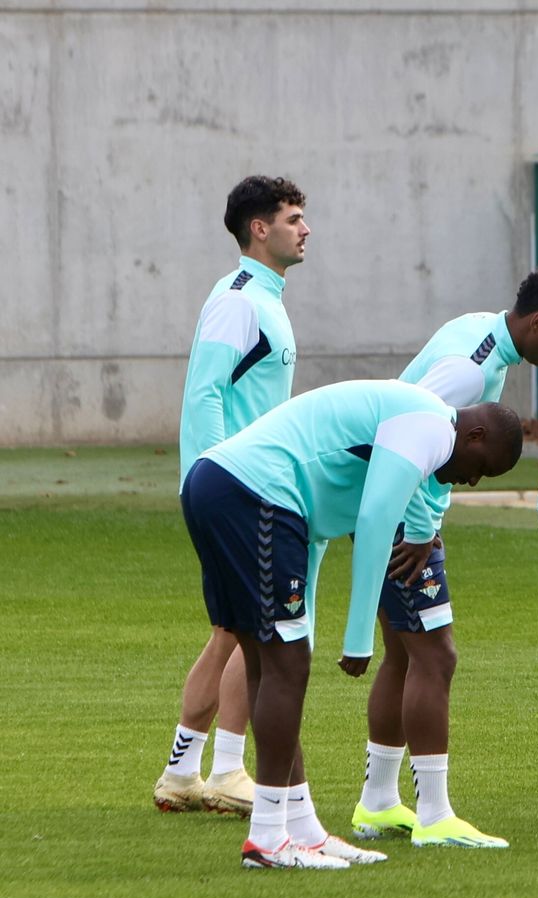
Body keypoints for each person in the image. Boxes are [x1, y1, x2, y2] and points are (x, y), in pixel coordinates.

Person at [180, 379, 524, 868]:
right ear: (474, 437)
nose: (471, 482)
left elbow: (404, 495)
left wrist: (426, 529)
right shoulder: (431, 429)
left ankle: (300, 828)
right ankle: (267, 839)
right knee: (285, 666)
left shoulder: (423, 418)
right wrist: (360, 636)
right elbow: (377, 518)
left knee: (268, 663)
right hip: (254, 494)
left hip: (220, 485)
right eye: (481, 471)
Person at [349, 263, 538, 848]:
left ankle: (378, 803)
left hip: (390, 515)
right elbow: (409, 436)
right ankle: (433, 815)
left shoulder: (481, 334)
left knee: (405, 658)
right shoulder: (471, 369)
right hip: (397, 522)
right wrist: (418, 528)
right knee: (437, 658)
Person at [155, 175, 310, 816]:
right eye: (294, 218)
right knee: (259, 633)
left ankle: (184, 772)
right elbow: (204, 393)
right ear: (259, 228)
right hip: (240, 490)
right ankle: (224, 771)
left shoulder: (265, 299)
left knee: (231, 630)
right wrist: (217, 479)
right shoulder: (240, 298)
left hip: (245, 487)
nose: (305, 229)